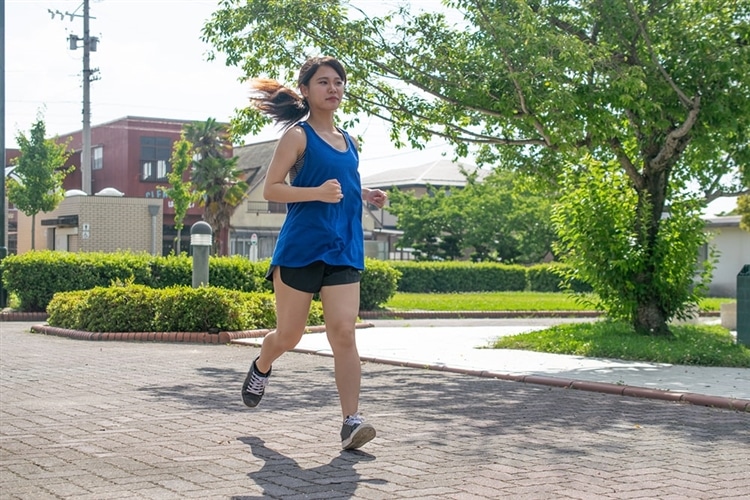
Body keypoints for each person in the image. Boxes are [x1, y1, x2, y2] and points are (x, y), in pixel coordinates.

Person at [240, 56, 388, 451]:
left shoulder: (350, 141)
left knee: (344, 333)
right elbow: (272, 189)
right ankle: (263, 363)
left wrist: (366, 193)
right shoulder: (298, 136)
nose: (333, 88)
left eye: (338, 81)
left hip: (344, 249)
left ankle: (351, 421)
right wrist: (317, 193)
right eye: (323, 82)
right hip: (301, 249)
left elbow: (344, 182)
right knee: (289, 335)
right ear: (305, 90)